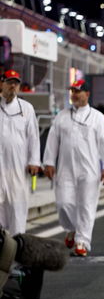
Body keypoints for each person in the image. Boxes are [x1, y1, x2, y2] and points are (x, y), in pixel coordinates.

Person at [43, 80, 104, 257]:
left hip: (89, 170)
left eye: (78, 91)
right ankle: (73, 229)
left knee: (86, 206)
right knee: (63, 203)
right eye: (73, 91)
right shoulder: (62, 116)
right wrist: (49, 162)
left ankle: (82, 242)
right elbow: (53, 141)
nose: (74, 94)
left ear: (87, 94)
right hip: (65, 169)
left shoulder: (97, 117)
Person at [0, 70, 40, 235]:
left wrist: (34, 161)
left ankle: (18, 244)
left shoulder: (26, 108)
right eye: (9, 82)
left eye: (15, 83)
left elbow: (33, 137)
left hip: (18, 166)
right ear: (1, 83)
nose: (13, 86)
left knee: (18, 204)